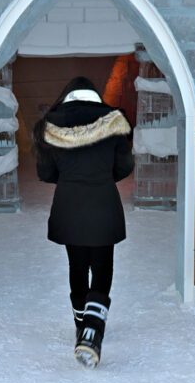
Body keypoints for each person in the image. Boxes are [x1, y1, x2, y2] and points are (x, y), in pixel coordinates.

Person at [33, 76, 134, 368]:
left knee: (77, 266)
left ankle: (81, 325)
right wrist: (100, 177)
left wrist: (70, 178)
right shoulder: (113, 121)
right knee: (102, 268)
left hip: (69, 206)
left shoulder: (50, 125)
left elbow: (45, 172)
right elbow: (125, 166)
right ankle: (92, 331)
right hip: (104, 205)